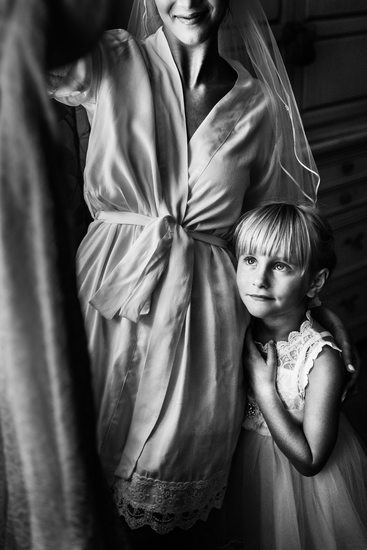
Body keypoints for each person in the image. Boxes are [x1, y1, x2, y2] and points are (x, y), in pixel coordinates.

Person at [47, 0, 357, 545]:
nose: (188, 2)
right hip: (105, 304)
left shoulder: (257, 106)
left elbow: (272, 228)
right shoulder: (112, 60)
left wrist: (312, 308)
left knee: (163, 506)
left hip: (203, 328)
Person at [216, 202, 367, 549]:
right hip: (241, 475)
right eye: (250, 260)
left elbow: (311, 461)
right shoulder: (238, 324)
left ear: (315, 282)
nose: (259, 278)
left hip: (301, 493)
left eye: (280, 265)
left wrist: (264, 391)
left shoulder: (320, 359)